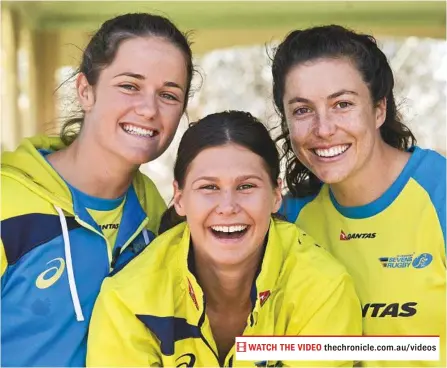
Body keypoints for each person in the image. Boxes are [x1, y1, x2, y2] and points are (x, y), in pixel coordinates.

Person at [86, 110, 362, 368]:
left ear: (276, 194)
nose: (228, 206)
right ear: (180, 198)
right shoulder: (128, 297)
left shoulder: (322, 287)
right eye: (209, 187)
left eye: (246, 186)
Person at [1, 13, 194, 367]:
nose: (149, 109)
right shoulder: (6, 202)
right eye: (129, 86)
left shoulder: (151, 207)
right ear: (85, 90)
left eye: (168, 95)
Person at [271, 25, 446, 367]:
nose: (323, 129)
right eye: (302, 110)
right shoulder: (288, 218)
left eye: (343, 104)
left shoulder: (439, 192)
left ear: (379, 109)